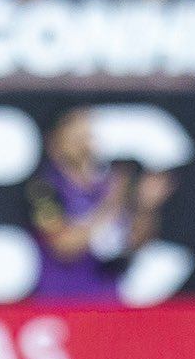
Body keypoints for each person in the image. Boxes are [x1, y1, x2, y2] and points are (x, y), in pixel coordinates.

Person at [24, 105, 173, 302]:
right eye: (76, 138)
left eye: (88, 136)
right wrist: (111, 204)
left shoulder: (108, 183)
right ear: (54, 142)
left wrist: (146, 208)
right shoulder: (43, 188)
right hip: (61, 303)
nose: (85, 144)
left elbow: (133, 242)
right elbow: (64, 245)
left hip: (107, 304)